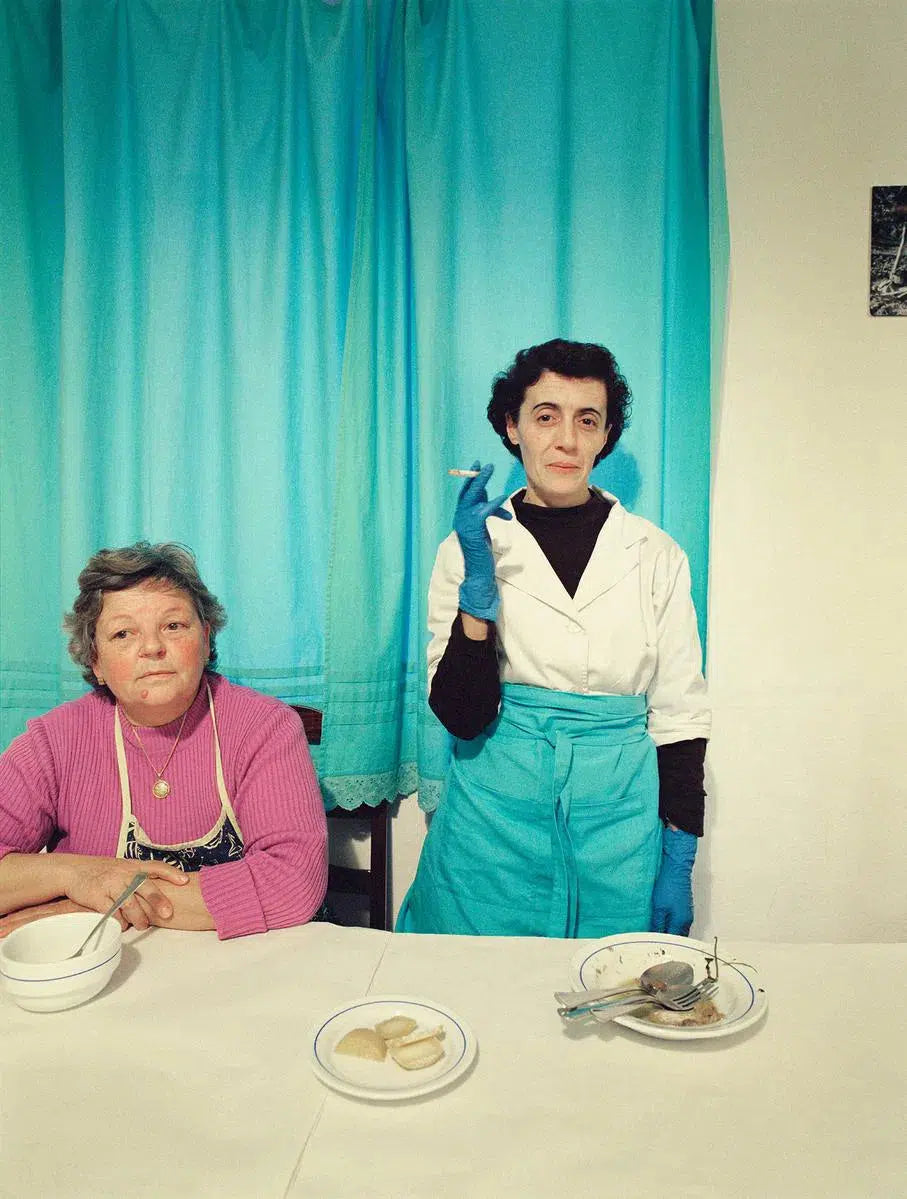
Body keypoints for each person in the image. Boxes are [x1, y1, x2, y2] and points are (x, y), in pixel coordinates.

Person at [397, 339, 710, 938]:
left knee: (608, 995)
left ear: (604, 434)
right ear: (513, 427)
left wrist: (678, 857)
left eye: (586, 420)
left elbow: (678, 715)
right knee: (481, 994)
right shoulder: (466, 549)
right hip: (492, 821)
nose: (566, 439)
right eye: (546, 416)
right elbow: (461, 717)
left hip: (618, 826)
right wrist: (477, 603)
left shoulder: (656, 554)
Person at [0, 542, 327, 939]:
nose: (152, 648)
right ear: (96, 662)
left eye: (173, 626)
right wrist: (77, 874)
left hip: (250, 961)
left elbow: (293, 883)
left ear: (206, 641)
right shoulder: (51, 743)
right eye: (123, 633)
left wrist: (96, 904)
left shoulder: (266, 727)